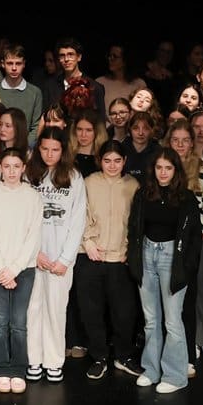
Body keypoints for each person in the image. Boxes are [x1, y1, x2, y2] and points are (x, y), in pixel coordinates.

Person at [128, 150, 202, 393]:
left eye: (168, 168)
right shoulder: (143, 194)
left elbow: (194, 238)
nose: (163, 173)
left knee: (172, 320)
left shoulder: (186, 198)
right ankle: (151, 369)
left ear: (176, 170)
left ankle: (175, 375)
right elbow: (134, 227)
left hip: (173, 257)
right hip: (147, 254)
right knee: (151, 320)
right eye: (159, 167)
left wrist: (187, 267)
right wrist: (135, 258)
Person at [25, 127, 86, 381]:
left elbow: (78, 220)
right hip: (32, 256)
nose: (50, 154)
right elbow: (22, 218)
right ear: (38, 149)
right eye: (45, 149)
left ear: (63, 151)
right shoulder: (29, 174)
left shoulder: (73, 176)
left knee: (56, 310)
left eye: (55, 149)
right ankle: (34, 359)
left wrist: (65, 259)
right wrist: (33, 253)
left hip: (60, 257)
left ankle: (53, 361)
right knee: (32, 308)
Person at [76, 140, 141, 381]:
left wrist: (130, 250)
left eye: (117, 161)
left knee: (124, 312)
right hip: (92, 255)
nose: (112, 165)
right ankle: (99, 357)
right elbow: (79, 213)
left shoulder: (133, 185)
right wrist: (87, 241)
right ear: (99, 161)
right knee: (92, 311)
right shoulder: (88, 183)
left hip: (120, 258)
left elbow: (137, 221)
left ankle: (123, 356)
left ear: (124, 161)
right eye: (107, 160)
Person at [0, 149, 41, 394]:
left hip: (23, 269)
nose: (12, 171)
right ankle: (0, 368)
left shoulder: (32, 196)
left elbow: (34, 237)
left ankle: (17, 369)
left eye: (17, 166)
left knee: (18, 323)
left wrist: (14, 269)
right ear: (0, 168)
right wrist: (2, 270)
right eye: (7, 166)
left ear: (24, 168)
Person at [165, 118, 203, 372]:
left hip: (192, 248)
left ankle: (189, 350)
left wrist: (191, 241)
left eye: (185, 141)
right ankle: (168, 350)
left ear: (191, 143)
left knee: (189, 299)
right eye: (175, 140)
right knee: (166, 300)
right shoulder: (162, 168)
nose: (180, 145)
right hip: (163, 247)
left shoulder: (202, 172)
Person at [0, 44, 43, 125]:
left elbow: (36, 125)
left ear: (24, 64)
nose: (14, 68)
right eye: (10, 63)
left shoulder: (35, 92)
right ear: (3, 64)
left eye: (18, 63)